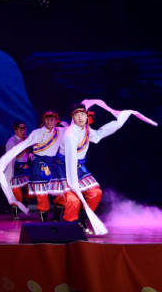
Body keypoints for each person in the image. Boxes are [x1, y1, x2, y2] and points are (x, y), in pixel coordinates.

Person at [58, 100, 157, 235]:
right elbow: (70, 161)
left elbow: (99, 134)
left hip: (79, 167)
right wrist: (74, 185)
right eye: (77, 115)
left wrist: (119, 121)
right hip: (65, 168)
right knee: (73, 199)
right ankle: (68, 227)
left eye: (83, 114)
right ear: (72, 117)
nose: (80, 117)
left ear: (87, 115)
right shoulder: (70, 135)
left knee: (95, 193)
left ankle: (82, 219)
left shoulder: (86, 129)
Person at [0, 111, 68, 222]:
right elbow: (23, 146)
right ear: (43, 121)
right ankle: (42, 216)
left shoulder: (60, 131)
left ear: (55, 121)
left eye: (52, 119)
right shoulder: (36, 133)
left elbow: (73, 129)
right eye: (47, 119)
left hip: (52, 166)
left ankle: (57, 216)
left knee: (63, 190)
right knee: (40, 192)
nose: (49, 122)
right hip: (37, 166)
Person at [4, 121, 31, 220]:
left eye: (24, 129)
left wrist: (30, 155)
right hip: (15, 169)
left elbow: (28, 151)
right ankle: (15, 213)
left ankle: (25, 205)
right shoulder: (11, 143)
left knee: (32, 189)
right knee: (16, 193)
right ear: (15, 130)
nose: (23, 131)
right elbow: (9, 159)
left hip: (25, 168)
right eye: (20, 130)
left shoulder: (26, 138)